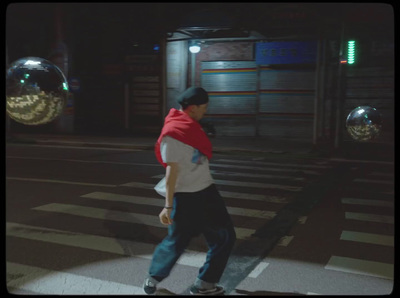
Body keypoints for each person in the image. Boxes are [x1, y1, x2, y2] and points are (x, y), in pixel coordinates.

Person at [143, 87, 236, 295]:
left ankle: (205, 283)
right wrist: (167, 206)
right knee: (177, 241)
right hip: (186, 197)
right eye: (203, 108)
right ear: (193, 108)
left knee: (225, 237)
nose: (205, 111)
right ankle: (153, 277)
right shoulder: (174, 133)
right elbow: (171, 171)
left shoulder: (191, 126)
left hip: (207, 191)